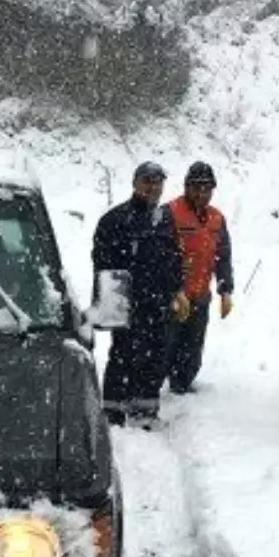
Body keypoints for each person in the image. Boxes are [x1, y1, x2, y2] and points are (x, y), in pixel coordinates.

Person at [92, 161, 188, 425]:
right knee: (123, 354)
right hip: (126, 301)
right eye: (147, 181)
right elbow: (102, 263)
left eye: (157, 182)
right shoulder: (115, 219)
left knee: (154, 357)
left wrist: (177, 290)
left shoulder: (165, 219)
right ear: (135, 183)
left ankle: (145, 411)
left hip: (157, 302)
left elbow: (174, 257)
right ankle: (113, 412)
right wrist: (110, 302)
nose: (152, 187)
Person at [166, 160, 234, 393]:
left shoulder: (217, 219)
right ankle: (154, 390)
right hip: (174, 295)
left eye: (207, 188)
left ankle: (182, 386)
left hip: (200, 295)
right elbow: (160, 257)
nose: (202, 193)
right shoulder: (170, 213)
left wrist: (225, 290)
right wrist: (174, 290)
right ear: (186, 186)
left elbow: (222, 257)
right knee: (166, 345)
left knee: (193, 349)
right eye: (196, 187)